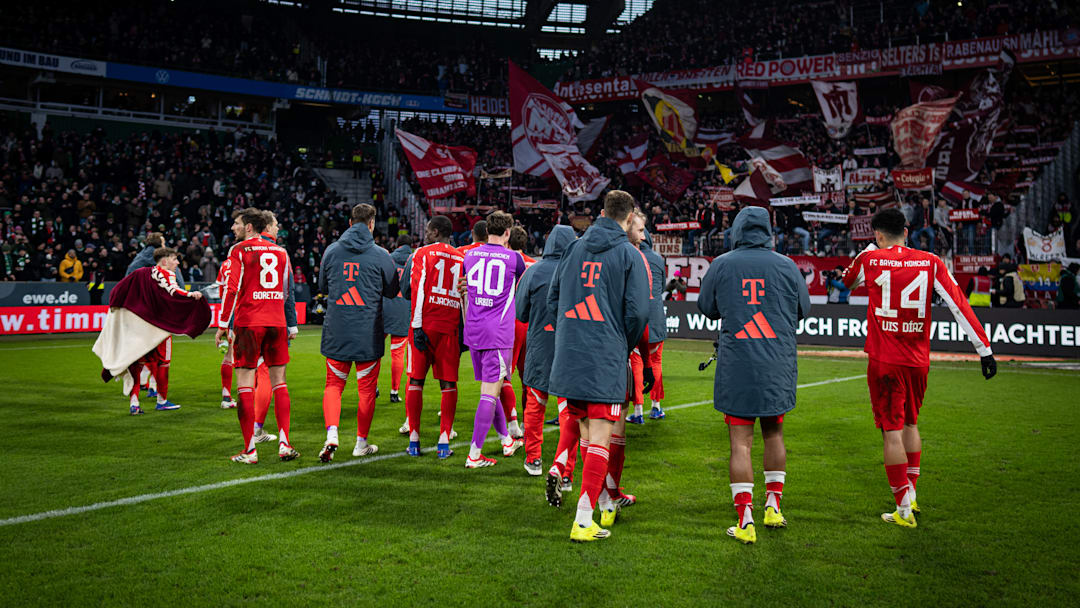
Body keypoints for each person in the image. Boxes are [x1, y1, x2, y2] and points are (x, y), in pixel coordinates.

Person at [843, 208, 996, 529]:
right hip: (917, 360)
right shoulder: (931, 262)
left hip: (885, 359)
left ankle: (902, 511)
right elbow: (959, 303)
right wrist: (984, 350)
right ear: (908, 231)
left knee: (891, 431)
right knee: (911, 424)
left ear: (878, 235)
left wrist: (871, 249)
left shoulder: (871, 259)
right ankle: (911, 495)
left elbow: (848, 280)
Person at [697, 206, 810, 545]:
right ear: (768, 231)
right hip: (776, 363)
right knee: (774, 435)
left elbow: (705, 307)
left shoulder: (722, 264)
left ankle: (745, 520)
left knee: (740, 444)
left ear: (738, 230)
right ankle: (773, 506)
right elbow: (803, 310)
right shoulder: (788, 266)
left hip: (738, 364)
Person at [548, 190, 650, 542]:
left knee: (587, 434)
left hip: (569, 354)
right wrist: (622, 342)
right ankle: (583, 518)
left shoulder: (574, 247)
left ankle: (605, 499)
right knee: (601, 440)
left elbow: (553, 297)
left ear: (602, 212)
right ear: (628, 215)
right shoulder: (629, 254)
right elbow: (637, 313)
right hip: (604, 355)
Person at [317, 204, 399, 462]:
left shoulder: (331, 251)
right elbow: (391, 291)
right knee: (366, 390)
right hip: (367, 332)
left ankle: (332, 433)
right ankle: (360, 443)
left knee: (333, 385)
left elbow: (322, 286)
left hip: (337, 330)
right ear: (372, 224)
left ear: (350, 222)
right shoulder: (382, 255)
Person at [216, 208, 297, 464]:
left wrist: (221, 324)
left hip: (249, 322)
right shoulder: (281, 252)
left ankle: (250, 450)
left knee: (245, 385)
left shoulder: (238, 251)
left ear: (249, 227)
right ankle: (285, 444)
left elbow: (232, 289)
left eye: (236, 224)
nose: (233, 228)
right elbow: (285, 292)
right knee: (279, 383)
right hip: (276, 322)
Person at [461, 211, 527, 468]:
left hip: (474, 330)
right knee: (490, 392)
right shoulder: (514, 258)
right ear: (508, 232)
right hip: (497, 333)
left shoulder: (469, 255)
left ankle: (505, 440)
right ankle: (474, 454)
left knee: (494, 388)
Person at [517, 226, 578, 493]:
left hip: (541, 347)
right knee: (571, 412)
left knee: (535, 406)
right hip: (570, 349)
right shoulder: (579, 272)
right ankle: (566, 472)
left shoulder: (533, 272)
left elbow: (521, 313)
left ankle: (534, 458)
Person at [400, 215, 465, 459]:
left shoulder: (422, 253)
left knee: (416, 380)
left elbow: (416, 290)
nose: (425, 233)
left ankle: (414, 440)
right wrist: (464, 329)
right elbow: (463, 297)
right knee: (448, 384)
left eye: (428, 229)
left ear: (436, 232)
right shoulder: (462, 257)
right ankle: (444, 441)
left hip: (424, 324)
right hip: (449, 327)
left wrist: (417, 326)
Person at [126, 247, 205, 414]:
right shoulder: (167, 274)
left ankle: (134, 402)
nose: (177, 263)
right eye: (174, 259)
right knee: (163, 363)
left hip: (142, 324)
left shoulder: (143, 273)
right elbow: (173, 291)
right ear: (164, 261)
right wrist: (191, 295)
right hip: (160, 327)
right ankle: (161, 401)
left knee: (139, 363)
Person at [627, 228, 667, 424]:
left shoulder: (631, 256)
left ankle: (638, 410)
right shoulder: (658, 259)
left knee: (636, 362)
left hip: (638, 316)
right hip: (657, 317)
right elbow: (663, 286)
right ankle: (656, 407)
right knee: (656, 362)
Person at [384, 234, 413, 404]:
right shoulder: (415, 259)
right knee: (397, 354)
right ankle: (394, 391)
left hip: (384, 308)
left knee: (375, 351)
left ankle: (373, 387)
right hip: (403, 310)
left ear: (397, 244)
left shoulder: (387, 258)